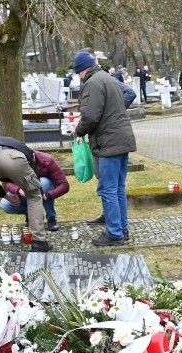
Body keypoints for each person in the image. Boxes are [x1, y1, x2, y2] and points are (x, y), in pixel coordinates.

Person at [72, 50, 137, 247]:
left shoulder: (92, 83)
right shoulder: (108, 78)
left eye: (78, 73)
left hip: (108, 142)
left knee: (108, 189)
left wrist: (78, 131)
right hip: (122, 139)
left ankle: (114, 233)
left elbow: (90, 116)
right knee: (118, 188)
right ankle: (122, 229)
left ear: (82, 70)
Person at [0, 136, 52, 252]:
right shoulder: (30, 153)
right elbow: (35, 184)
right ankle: (39, 242)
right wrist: (37, 195)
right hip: (16, 158)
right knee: (34, 196)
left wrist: (4, 195)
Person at [0, 149, 69, 231]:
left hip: (43, 192)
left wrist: (46, 196)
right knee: (5, 204)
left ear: (33, 157)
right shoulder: (14, 163)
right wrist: (19, 190)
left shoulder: (48, 160)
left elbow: (64, 185)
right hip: (24, 192)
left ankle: (51, 218)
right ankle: (31, 214)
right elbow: (7, 183)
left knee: (43, 183)